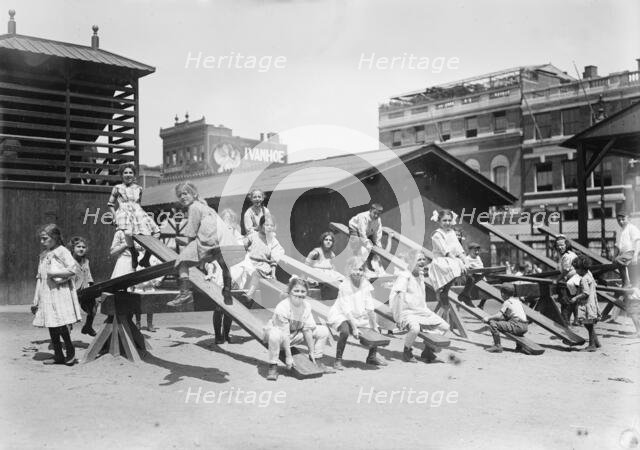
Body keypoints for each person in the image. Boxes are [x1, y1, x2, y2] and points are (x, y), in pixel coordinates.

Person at [167, 182, 235, 307]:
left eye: (185, 193)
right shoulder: (207, 207)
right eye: (179, 195)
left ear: (194, 194)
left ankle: (185, 293)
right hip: (222, 240)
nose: (182, 197)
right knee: (224, 264)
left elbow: (192, 232)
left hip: (208, 241)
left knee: (182, 262)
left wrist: (188, 249)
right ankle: (227, 289)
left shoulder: (193, 207)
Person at [31, 224, 82, 365]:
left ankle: (70, 352)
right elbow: (40, 278)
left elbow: (73, 270)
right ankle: (58, 355)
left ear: (54, 237)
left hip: (60, 291)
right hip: (47, 292)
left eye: (45, 238)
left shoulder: (62, 251)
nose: (42, 242)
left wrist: (55, 273)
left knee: (61, 323)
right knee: (51, 323)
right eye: (41, 239)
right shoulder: (43, 255)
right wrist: (36, 299)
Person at [263, 277, 332, 380]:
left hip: (294, 335)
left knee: (323, 331)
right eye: (296, 291)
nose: (299, 294)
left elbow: (307, 329)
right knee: (275, 334)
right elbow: (285, 334)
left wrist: (311, 351)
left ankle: (316, 360)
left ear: (306, 293)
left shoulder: (306, 306)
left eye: (303, 291)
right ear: (290, 292)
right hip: (279, 338)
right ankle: (273, 366)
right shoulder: (282, 307)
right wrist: (288, 357)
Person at [389, 250, 450, 363]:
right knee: (415, 329)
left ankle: (428, 349)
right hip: (407, 311)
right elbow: (398, 297)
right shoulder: (405, 275)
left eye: (423, 259)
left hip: (421, 311)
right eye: (419, 260)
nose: (422, 262)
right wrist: (398, 317)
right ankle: (407, 350)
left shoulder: (420, 275)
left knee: (444, 326)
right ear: (411, 262)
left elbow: (421, 297)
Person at [327, 257, 386, 370]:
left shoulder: (365, 284)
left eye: (360, 269)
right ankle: (338, 360)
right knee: (345, 331)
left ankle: (372, 357)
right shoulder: (345, 285)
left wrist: (374, 325)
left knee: (377, 329)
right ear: (349, 270)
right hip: (342, 314)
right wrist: (354, 328)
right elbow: (346, 309)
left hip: (359, 313)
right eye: (355, 269)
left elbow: (369, 306)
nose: (358, 272)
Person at [107, 163, 160, 268]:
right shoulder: (117, 187)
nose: (128, 175)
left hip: (137, 212)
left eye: (130, 173)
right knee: (127, 233)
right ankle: (133, 253)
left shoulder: (139, 188)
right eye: (125, 173)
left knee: (157, 232)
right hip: (123, 212)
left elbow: (138, 203)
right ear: (122, 175)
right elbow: (110, 204)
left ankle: (146, 258)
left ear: (134, 175)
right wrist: (114, 216)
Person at [428, 209, 467, 324]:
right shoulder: (437, 235)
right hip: (441, 261)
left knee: (469, 268)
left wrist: (465, 260)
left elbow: (459, 250)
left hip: (452, 260)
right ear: (439, 221)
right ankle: (443, 292)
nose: (447, 223)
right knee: (455, 266)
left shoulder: (452, 233)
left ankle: (449, 292)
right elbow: (446, 252)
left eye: (449, 220)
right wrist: (459, 262)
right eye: (444, 220)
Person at [244, 216, 285, 299]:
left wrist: (273, 273)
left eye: (271, 225)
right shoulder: (254, 236)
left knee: (257, 273)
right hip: (250, 262)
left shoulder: (273, 241)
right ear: (261, 225)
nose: (269, 227)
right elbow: (244, 244)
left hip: (263, 265)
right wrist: (245, 244)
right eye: (266, 225)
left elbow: (274, 258)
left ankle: (249, 294)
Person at [482, 283, 529, 353]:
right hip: (525, 326)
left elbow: (499, 315)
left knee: (493, 323)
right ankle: (519, 347)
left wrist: (488, 318)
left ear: (503, 294)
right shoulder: (518, 301)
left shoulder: (507, 302)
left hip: (517, 325)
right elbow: (508, 315)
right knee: (510, 324)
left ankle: (497, 346)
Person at [67, 236, 96, 336]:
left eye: (83, 247)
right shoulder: (68, 261)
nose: (81, 249)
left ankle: (88, 326)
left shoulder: (86, 261)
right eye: (78, 246)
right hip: (71, 292)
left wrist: (92, 288)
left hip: (85, 291)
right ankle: (67, 339)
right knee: (69, 317)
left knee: (94, 304)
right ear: (72, 248)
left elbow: (89, 276)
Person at [571, 255, 601, 351]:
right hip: (592, 304)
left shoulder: (584, 279)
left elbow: (586, 293)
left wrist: (575, 298)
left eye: (576, 269)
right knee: (590, 325)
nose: (575, 271)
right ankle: (596, 343)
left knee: (588, 325)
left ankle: (592, 345)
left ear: (581, 268)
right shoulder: (589, 276)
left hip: (587, 304)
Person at [348, 203, 383, 270]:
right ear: (370, 210)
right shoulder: (363, 216)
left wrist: (378, 245)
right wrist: (367, 243)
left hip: (368, 232)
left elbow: (378, 233)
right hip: (356, 228)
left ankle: (369, 266)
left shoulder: (378, 220)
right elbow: (362, 232)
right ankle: (356, 265)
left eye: (378, 214)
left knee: (373, 247)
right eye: (374, 213)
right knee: (356, 242)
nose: (376, 215)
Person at [554, 235, 580, 326]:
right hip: (575, 280)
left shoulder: (567, 256)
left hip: (572, 280)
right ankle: (575, 319)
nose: (560, 247)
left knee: (565, 300)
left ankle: (565, 320)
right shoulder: (569, 254)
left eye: (562, 245)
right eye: (558, 246)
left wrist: (557, 279)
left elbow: (566, 270)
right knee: (573, 300)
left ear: (567, 245)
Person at [614, 209, 640, 288]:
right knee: (616, 261)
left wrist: (636, 255)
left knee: (618, 260)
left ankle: (626, 282)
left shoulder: (632, 228)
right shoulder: (619, 231)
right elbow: (617, 245)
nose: (621, 222)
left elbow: (637, 242)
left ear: (628, 219)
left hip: (631, 252)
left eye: (623, 219)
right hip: (623, 253)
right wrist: (614, 255)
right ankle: (625, 281)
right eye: (619, 220)